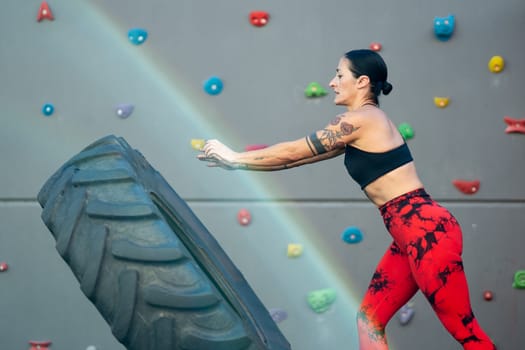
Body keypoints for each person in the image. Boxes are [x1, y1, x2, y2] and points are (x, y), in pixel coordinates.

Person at [197, 49, 496, 350]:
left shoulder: (364, 120)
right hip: (409, 236)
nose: (332, 82)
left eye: (340, 75)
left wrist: (235, 157)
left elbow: (293, 151)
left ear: (362, 81)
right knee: (369, 320)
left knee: (464, 329)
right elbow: (292, 161)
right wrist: (238, 163)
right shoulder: (360, 126)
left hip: (428, 232)